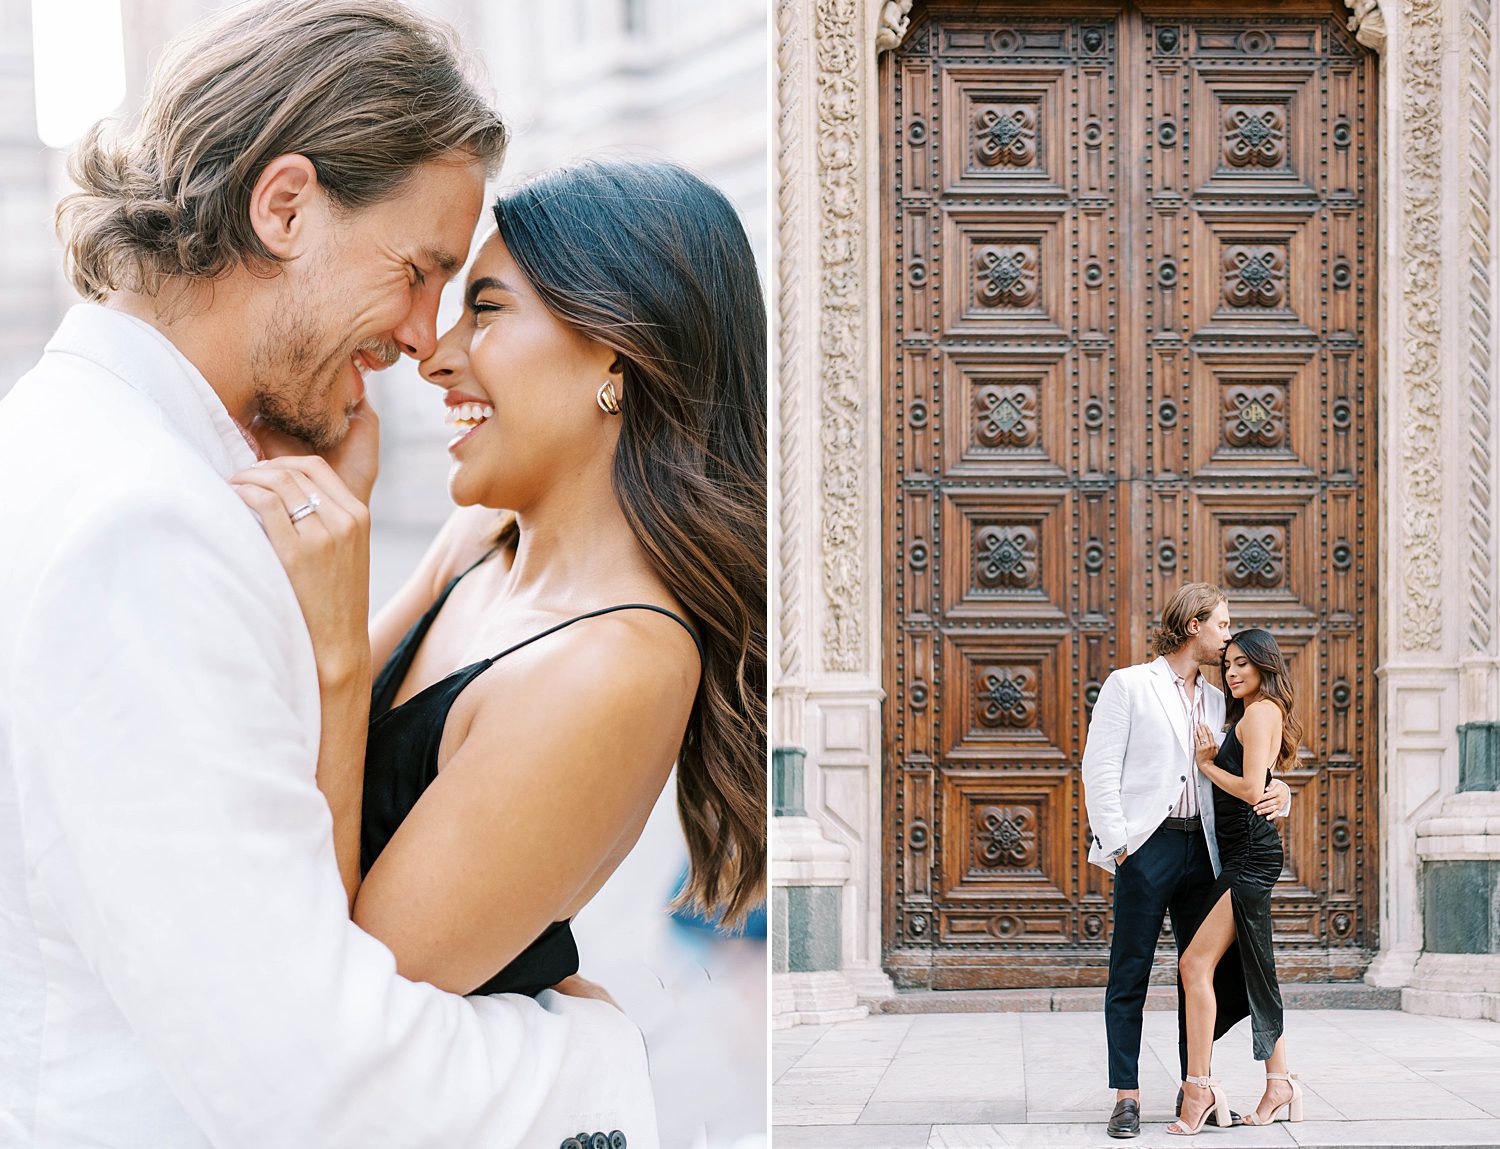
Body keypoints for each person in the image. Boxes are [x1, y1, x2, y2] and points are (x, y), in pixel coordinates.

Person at [0, 3, 657, 1145]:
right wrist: (598, 1058)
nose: (420, 336)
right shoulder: (145, 528)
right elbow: (309, 1079)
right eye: (418, 270)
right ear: (285, 205)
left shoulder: (92, 447)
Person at [229, 158, 768, 1002]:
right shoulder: (482, 540)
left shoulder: (619, 666)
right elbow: (268, 751)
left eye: (485, 311)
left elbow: (350, 1005)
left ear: (620, 357)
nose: (434, 358)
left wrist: (338, 640)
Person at [1081, 582, 1291, 1140]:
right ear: (1194, 624)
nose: (1228, 636)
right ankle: (1126, 1094)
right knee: (1129, 971)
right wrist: (1121, 844)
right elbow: (1098, 769)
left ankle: (1192, 1085)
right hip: (1148, 845)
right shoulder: (1130, 685)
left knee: (1199, 973)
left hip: (1209, 849)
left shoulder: (1225, 699)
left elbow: (1252, 762)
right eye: (1222, 624)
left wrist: (1284, 790)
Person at [1166, 630, 1304, 1135]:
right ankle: (1279, 1081)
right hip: (1243, 853)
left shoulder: (1261, 711)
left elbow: (1250, 789)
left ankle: (1198, 1087)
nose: (1232, 672)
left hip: (1249, 855)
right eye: (1227, 664)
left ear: (1266, 665)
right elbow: (1263, 783)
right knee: (1252, 967)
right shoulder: (1251, 714)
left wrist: (1205, 766)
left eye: (1243, 663)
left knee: (1194, 963)